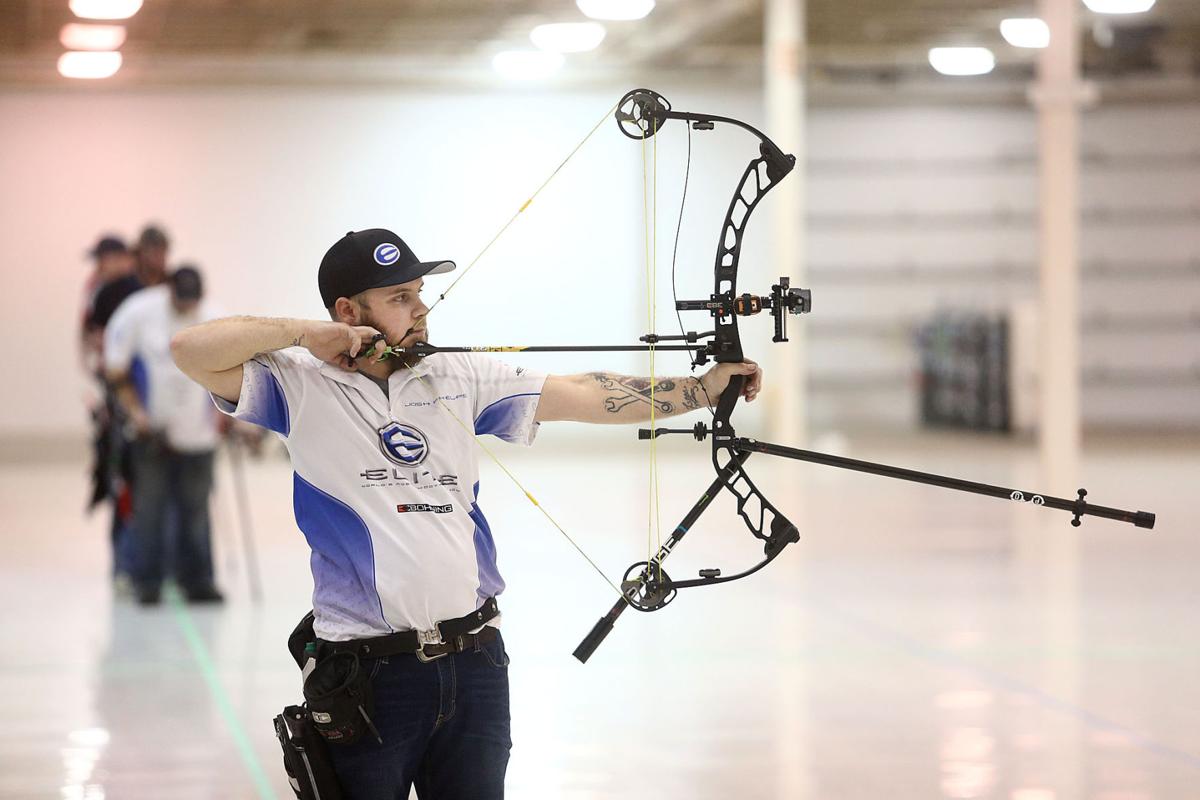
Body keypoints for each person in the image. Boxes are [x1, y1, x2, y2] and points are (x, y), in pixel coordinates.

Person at [170, 229, 761, 799]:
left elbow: (584, 389)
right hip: (369, 676)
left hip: (475, 661)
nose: (420, 309)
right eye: (399, 297)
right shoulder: (298, 386)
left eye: (419, 293)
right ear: (347, 312)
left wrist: (703, 390)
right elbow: (188, 350)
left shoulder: (458, 375)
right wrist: (305, 335)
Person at [105, 266, 225, 605]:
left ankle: (198, 581)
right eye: (180, 299)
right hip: (151, 435)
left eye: (192, 301)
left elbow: (236, 371)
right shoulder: (138, 312)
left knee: (196, 510)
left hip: (199, 436)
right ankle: (148, 581)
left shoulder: (216, 318)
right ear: (168, 290)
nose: (186, 307)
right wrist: (136, 414)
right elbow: (116, 369)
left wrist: (230, 419)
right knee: (150, 509)